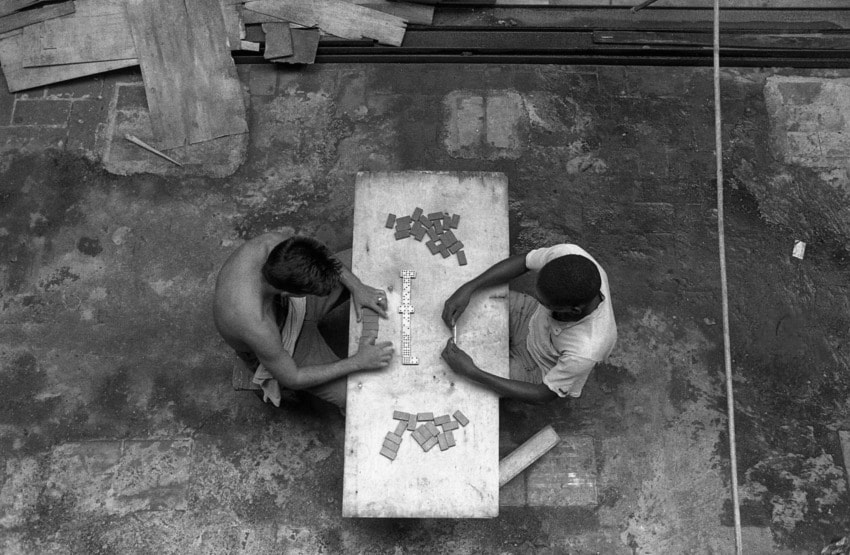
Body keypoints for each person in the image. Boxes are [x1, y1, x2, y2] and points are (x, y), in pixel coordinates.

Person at [213, 233, 394, 409]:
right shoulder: (256, 324)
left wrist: (357, 287)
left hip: (289, 304)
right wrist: (358, 361)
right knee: (358, 395)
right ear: (290, 294)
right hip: (279, 341)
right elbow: (293, 378)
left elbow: (320, 252)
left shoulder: (272, 245)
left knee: (364, 261)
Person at [440, 243, 616, 404]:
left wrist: (473, 372)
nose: (539, 300)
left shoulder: (586, 351)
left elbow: (543, 395)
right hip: (529, 315)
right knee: (472, 309)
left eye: (546, 303)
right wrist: (470, 287)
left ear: (574, 310)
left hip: (538, 366)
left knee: (461, 382)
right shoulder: (568, 256)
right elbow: (524, 261)